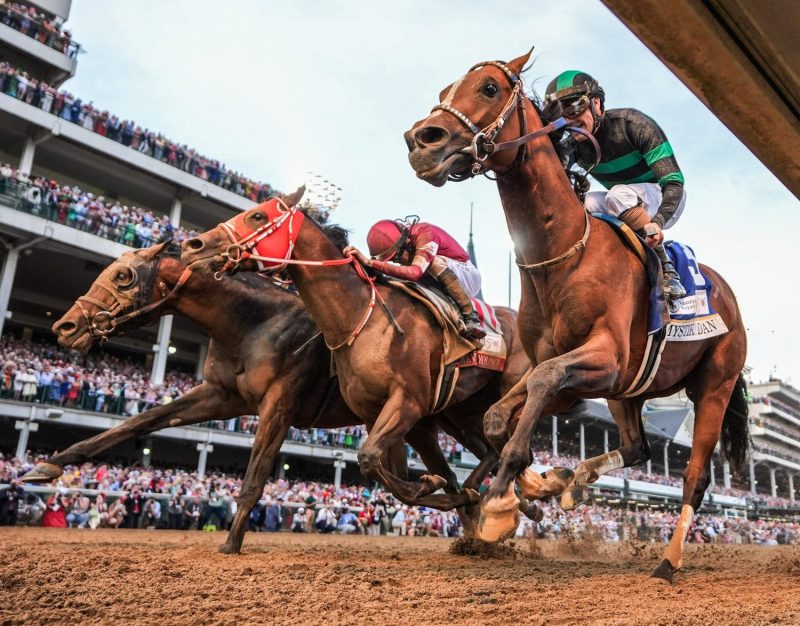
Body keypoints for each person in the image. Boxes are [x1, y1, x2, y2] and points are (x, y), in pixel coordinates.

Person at [542, 71, 686, 300]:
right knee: (583, 204)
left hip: (664, 197)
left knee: (617, 195)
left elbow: (674, 182)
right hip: (622, 200)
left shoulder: (634, 125)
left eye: (574, 108)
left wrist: (657, 222)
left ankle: (666, 268)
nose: (569, 119)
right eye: (560, 114)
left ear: (596, 103)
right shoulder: (572, 145)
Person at [343, 217, 486, 339]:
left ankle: (471, 316)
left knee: (433, 263)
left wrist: (370, 263)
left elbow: (415, 273)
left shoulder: (426, 234)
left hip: (468, 276)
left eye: (397, 256)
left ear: (405, 243)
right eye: (392, 260)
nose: (397, 261)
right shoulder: (406, 241)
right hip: (437, 278)